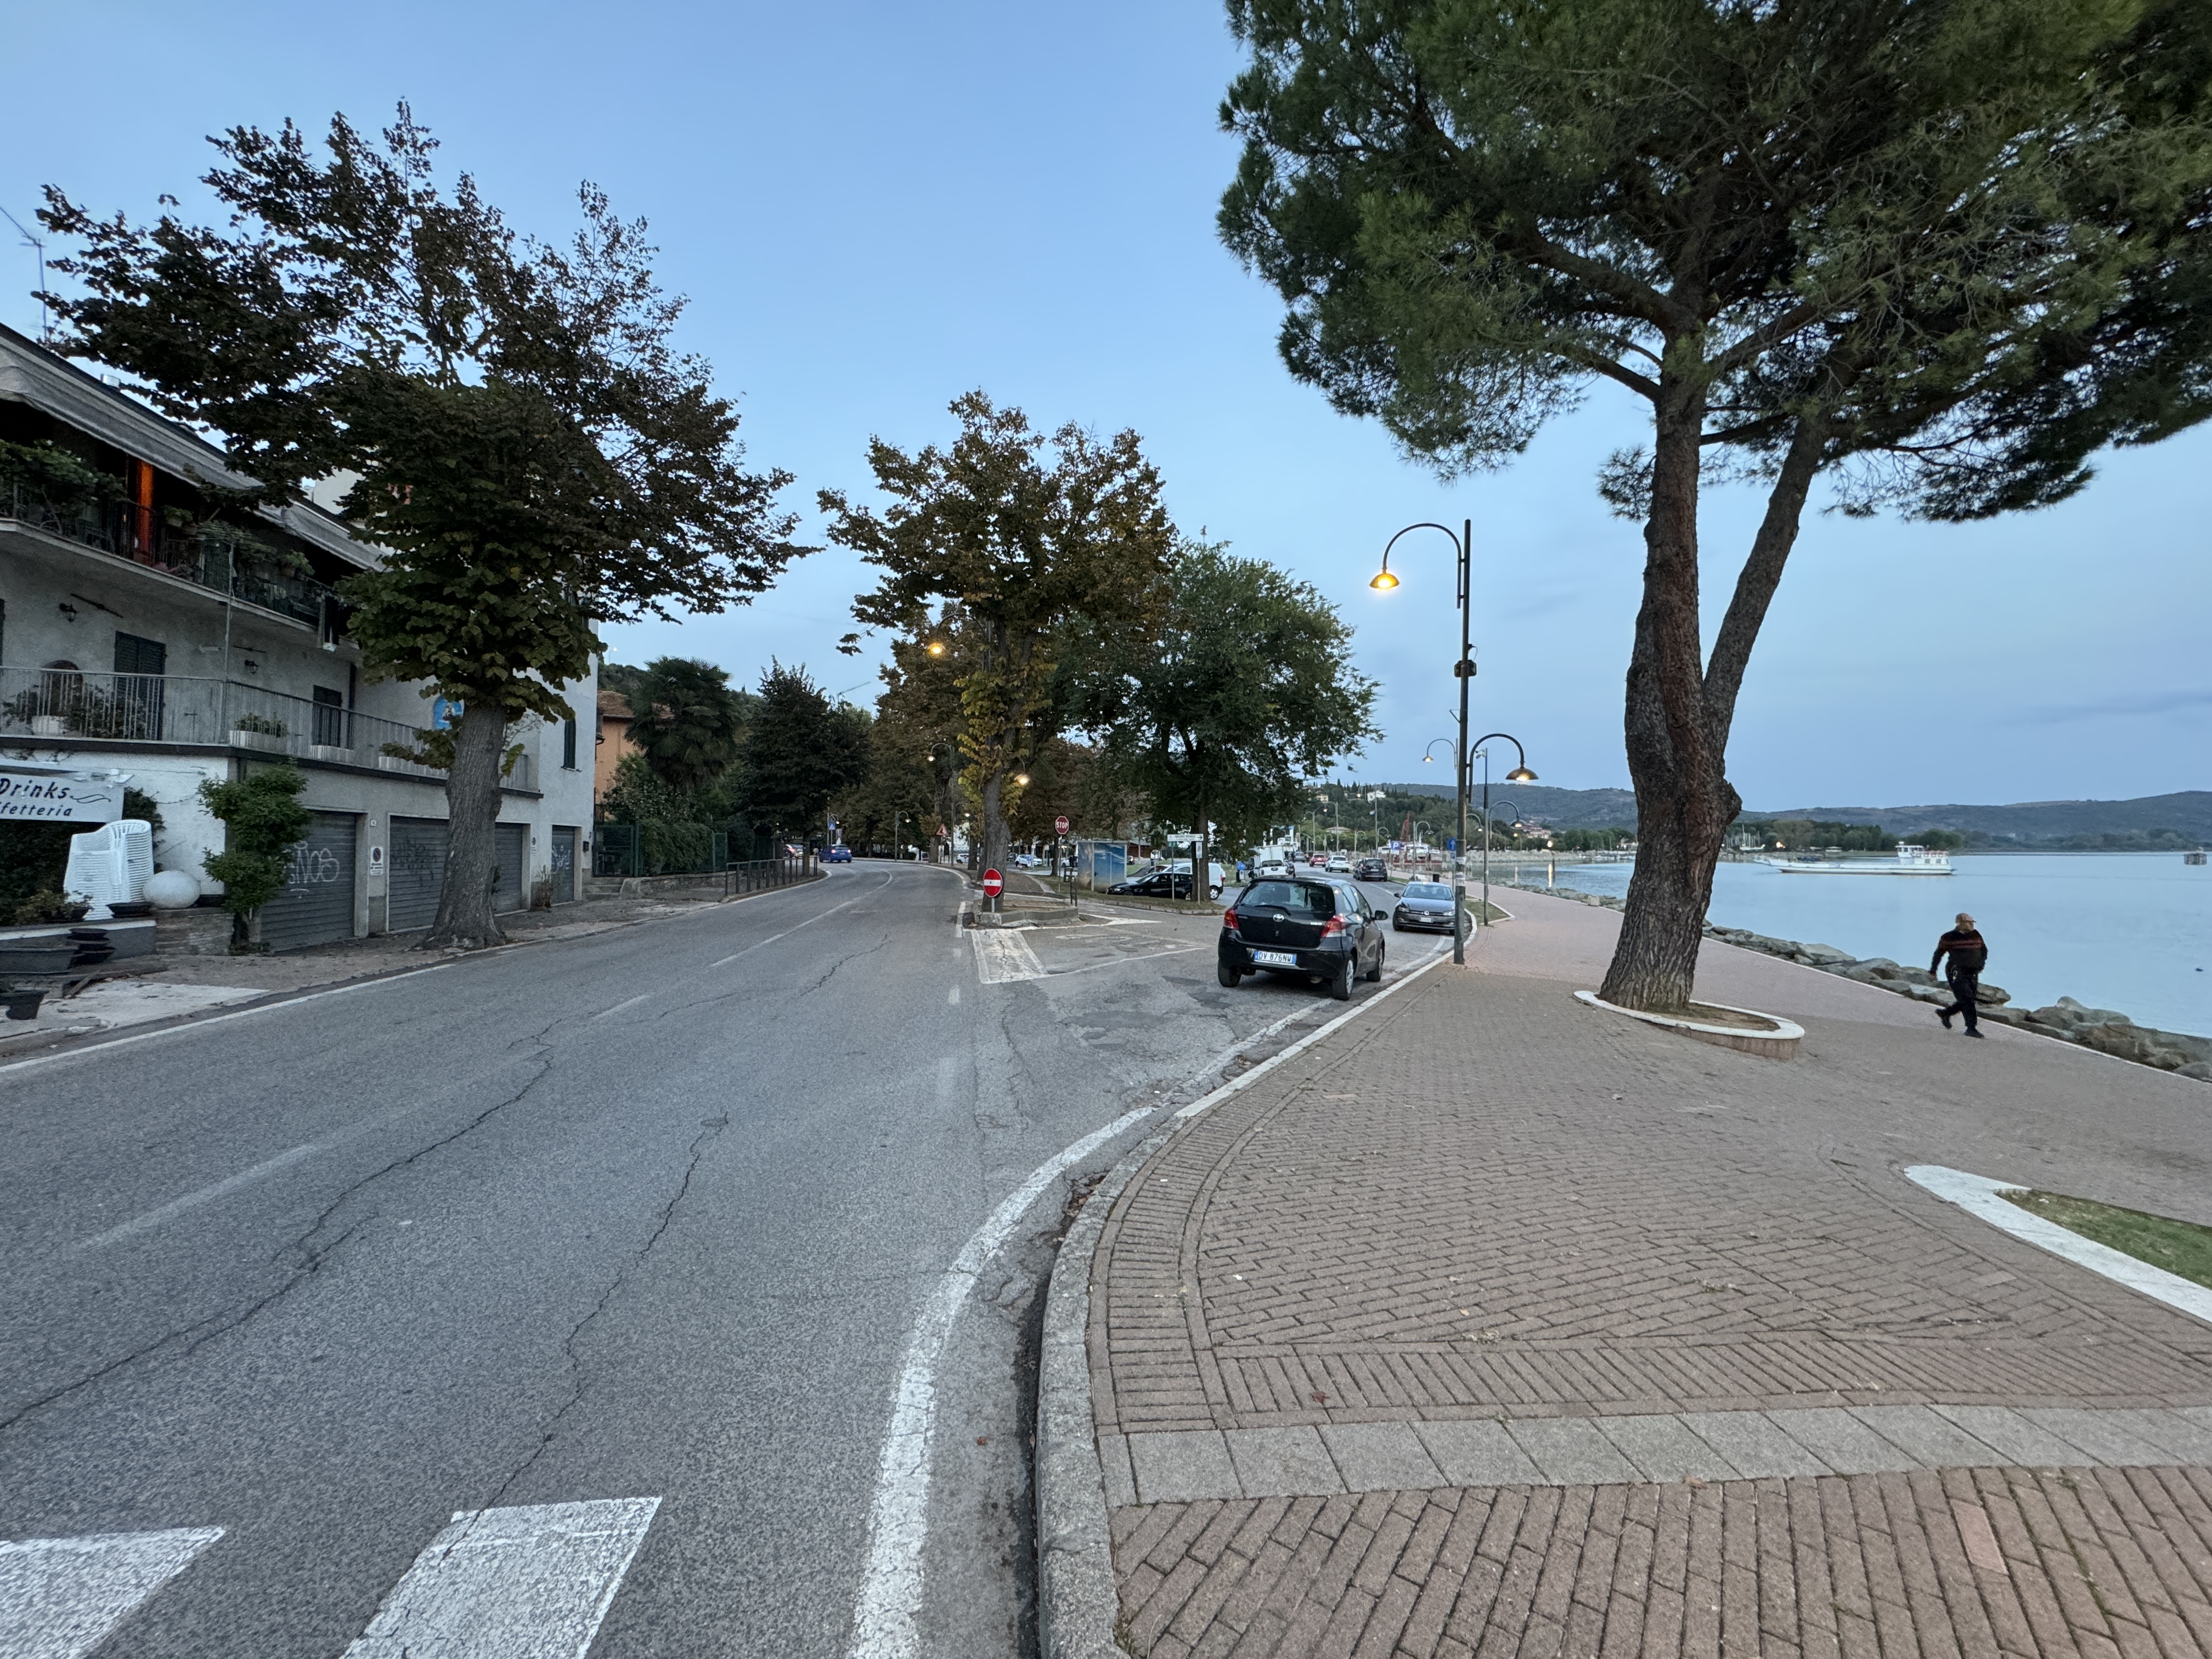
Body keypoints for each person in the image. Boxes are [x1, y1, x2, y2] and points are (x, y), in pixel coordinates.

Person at [1931, 912, 1989, 1037]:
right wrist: (1933, 970)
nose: (1971, 924)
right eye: (1969, 922)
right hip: (1956, 970)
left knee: (1969, 998)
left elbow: (1984, 950)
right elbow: (1938, 954)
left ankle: (1946, 1013)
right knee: (1967, 998)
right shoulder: (1949, 937)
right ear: (1959, 923)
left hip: (1973, 971)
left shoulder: (1976, 935)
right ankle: (1971, 1028)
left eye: (1972, 922)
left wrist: (1981, 965)